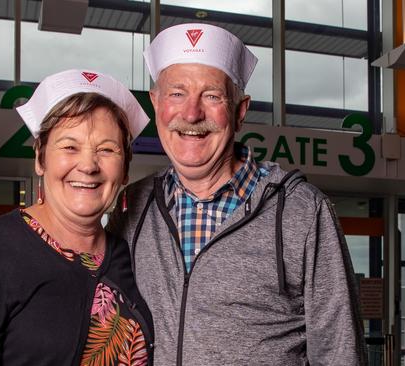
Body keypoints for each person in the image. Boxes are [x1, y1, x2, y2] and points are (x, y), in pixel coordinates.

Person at [108, 23, 367, 365]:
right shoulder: (133, 208)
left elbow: (340, 352)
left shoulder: (303, 213)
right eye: (176, 93)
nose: (191, 113)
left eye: (212, 95)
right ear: (156, 103)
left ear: (240, 110)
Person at [0, 69, 154, 366]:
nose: (88, 165)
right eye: (70, 147)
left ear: (124, 170)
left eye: (107, 149)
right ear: (40, 158)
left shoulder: (129, 255)